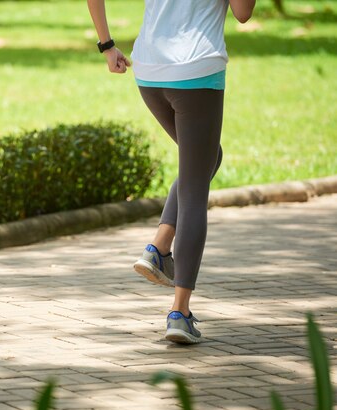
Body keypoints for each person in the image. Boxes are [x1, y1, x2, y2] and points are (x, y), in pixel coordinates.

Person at [87, 0, 256, 344]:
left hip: (149, 70)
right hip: (196, 70)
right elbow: (243, 13)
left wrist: (106, 45)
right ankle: (179, 313)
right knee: (195, 189)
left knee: (208, 157)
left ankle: (160, 248)